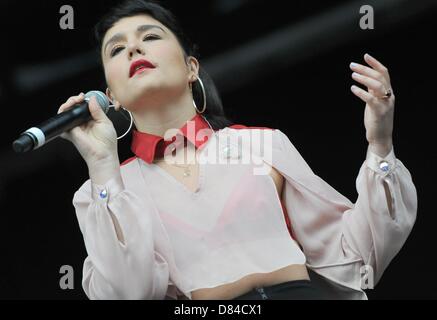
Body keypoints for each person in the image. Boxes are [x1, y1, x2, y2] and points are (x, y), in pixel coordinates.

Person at [57, 0, 417, 300]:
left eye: (150, 36)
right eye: (116, 49)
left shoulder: (260, 143)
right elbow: (127, 292)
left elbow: (356, 257)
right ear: (111, 97)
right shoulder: (106, 191)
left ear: (190, 68)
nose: (133, 48)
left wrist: (380, 143)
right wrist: (102, 163)